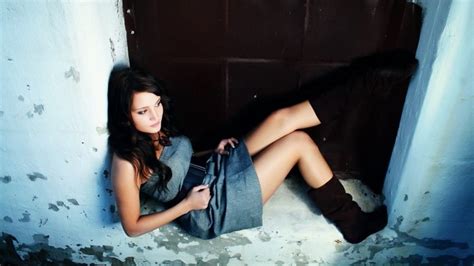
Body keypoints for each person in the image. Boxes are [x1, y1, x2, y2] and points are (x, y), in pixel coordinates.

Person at [107, 50, 418, 244]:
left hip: (213, 170)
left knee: (281, 119)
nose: (154, 116)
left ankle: (367, 83)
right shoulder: (126, 162)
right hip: (210, 206)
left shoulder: (155, 129)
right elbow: (132, 227)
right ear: (125, 114)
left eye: (157, 105)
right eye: (142, 112)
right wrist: (186, 206)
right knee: (298, 142)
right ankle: (353, 223)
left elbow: (177, 163)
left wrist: (209, 152)